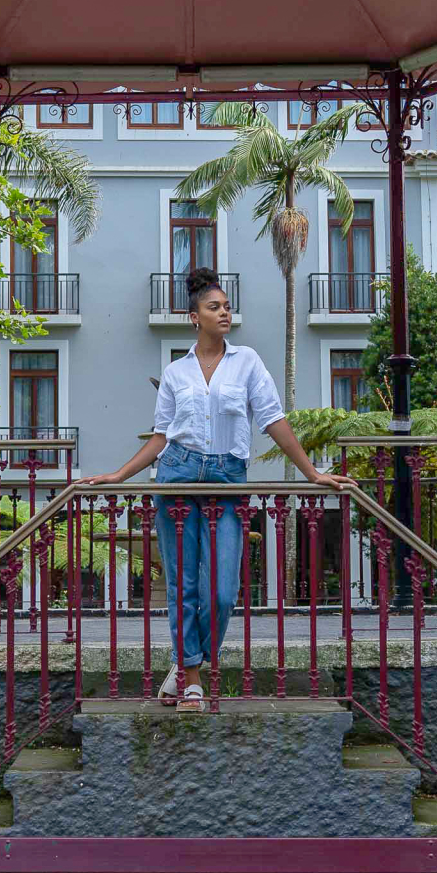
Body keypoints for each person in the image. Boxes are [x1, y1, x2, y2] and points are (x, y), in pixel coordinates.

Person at [83, 266, 355, 711]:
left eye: (227, 306)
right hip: (177, 478)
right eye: (215, 307)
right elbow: (160, 436)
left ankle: (182, 661)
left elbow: (273, 421)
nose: (224, 312)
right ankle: (192, 679)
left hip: (227, 479)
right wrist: (118, 475)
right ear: (195, 317)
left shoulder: (247, 362)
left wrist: (311, 473)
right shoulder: (175, 372)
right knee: (183, 585)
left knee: (224, 590)